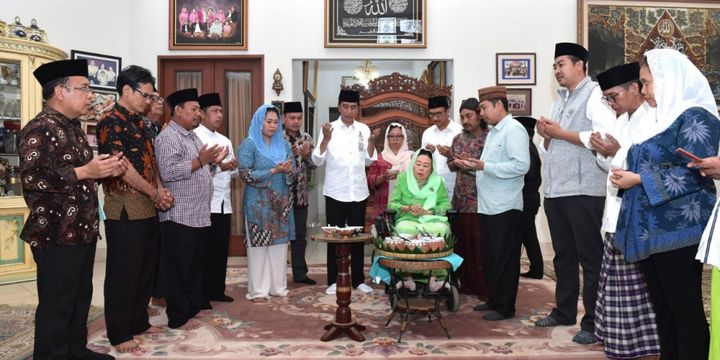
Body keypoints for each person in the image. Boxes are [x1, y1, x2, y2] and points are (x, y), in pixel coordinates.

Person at [611, 48, 720, 360]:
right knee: (663, 309)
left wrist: (638, 179)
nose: (643, 91)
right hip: (650, 228)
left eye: (646, 83)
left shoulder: (697, 116)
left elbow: (696, 171)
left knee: (684, 310)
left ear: (668, 79)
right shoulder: (655, 118)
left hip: (680, 229)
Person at [19, 59, 126, 360]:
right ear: (60, 91)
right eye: (84, 88)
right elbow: (32, 178)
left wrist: (102, 170)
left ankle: (75, 350)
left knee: (80, 298)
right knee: (57, 303)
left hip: (82, 228)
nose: (90, 95)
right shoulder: (37, 129)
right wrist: (84, 172)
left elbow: (84, 172)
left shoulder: (75, 130)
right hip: (54, 233)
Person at [534, 42, 616, 344]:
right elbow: (550, 146)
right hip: (556, 191)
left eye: (561, 64)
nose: (556, 71)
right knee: (563, 257)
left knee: (590, 259)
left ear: (580, 64)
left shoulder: (595, 96)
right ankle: (564, 310)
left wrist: (559, 134)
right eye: (554, 66)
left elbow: (603, 139)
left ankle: (593, 322)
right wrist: (545, 137)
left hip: (585, 191)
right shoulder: (560, 100)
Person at [96, 65, 173, 353]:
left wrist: (160, 189)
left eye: (153, 96)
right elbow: (121, 167)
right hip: (124, 208)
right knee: (124, 272)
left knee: (145, 270)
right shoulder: (109, 121)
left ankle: (138, 320)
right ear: (127, 90)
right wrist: (155, 192)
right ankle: (119, 331)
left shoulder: (141, 123)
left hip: (148, 205)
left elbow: (150, 162)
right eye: (146, 95)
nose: (151, 101)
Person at [591, 62, 661, 359]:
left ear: (635, 88)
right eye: (606, 99)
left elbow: (646, 165)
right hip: (615, 209)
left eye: (613, 97)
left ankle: (641, 345)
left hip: (636, 212)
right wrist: (608, 153)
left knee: (635, 287)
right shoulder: (622, 119)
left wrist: (615, 152)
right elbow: (613, 165)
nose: (611, 104)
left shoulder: (652, 119)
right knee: (614, 284)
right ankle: (620, 342)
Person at [154, 88, 227, 329]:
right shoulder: (168, 137)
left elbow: (201, 169)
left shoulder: (192, 136)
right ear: (177, 110)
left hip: (198, 214)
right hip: (179, 214)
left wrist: (213, 164)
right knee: (178, 267)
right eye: (194, 109)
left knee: (194, 265)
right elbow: (169, 172)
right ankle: (177, 313)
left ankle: (190, 304)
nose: (198, 114)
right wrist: (202, 161)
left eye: (198, 109)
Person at [455, 86, 529, 321]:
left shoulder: (514, 130)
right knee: (491, 256)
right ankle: (495, 300)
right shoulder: (496, 131)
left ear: (499, 105)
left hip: (505, 207)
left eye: (484, 108)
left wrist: (483, 166)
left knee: (504, 258)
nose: (482, 113)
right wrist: (473, 164)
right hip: (487, 206)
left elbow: (521, 166)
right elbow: (488, 165)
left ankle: (505, 307)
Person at [312, 89, 381, 295]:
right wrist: (325, 139)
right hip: (335, 191)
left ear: (358, 109)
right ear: (339, 106)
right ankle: (333, 279)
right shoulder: (329, 129)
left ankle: (358, 279)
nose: (349, 111)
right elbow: (316, 160)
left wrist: (371, 143)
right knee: (334, 238)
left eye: (353, 107)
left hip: (358, 192)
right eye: (345, 107)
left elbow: (370, 160)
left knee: (357, 237)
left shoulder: (364, 129)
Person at [238, 104, 295, 302]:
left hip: (280, 203)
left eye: (275, 122)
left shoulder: (284, 144)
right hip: (258, 204)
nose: (272, 126)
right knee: (259, 247)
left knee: (279, 247)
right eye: (268, 121)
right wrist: (273, 171)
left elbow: (293, 172)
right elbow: (245, 175)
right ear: (259, 122)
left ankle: (277, 287)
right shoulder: (249, 144)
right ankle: (259, 290)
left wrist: (288, 171)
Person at [387, 149, 451, 292]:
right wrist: (407, 208)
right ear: (413, 164)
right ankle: (407, 278)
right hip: (408, 218)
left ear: (432, 168)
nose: (421, 168)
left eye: (426, 165)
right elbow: (393, 204)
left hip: (431, 219)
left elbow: (445, 205)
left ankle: (433, 279)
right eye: (418, 164)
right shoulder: (403, 178)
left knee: (441, 230)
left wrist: (427, 211)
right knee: (404, 229)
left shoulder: (438, 181)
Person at [194, 93, 237, 303]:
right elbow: (194, 170)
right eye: (214, 111)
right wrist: (219, 166)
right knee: (203, 251)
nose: (219, 115)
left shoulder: (225, 140)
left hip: (223, 203)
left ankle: (217, 290)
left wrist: (232, 167)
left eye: (220, 111)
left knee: (220, 249)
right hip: (204, 204)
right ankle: (201, 294)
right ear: (202, 114)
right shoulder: (195, 137)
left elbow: (232, 172)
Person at [446, 98, 489, 297]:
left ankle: (483, 287)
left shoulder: (490, 138)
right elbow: (450, 163)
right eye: (462, 117)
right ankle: (466, 284)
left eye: (468, 116)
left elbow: (491, 167)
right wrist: (457, 163)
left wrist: (471, 166)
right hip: (460, 201)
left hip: (481, 201)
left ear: (479, 114)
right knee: (462, 245)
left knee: (480, 247)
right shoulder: (458, 139)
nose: (465, 121)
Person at [282, 101, 317, 285]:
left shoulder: (306, 137)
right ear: (284, 118)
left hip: (301, 195)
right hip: (280, 196)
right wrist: (289, 153)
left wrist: (305, 155)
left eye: (299, 118)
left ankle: (300, 273)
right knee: (280, 236)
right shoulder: (277, 137)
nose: (296, 122)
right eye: (292, 118)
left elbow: (314, 164)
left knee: (300, 236)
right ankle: (278, 274)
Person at [514, 116, 543, 280]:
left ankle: (537, 269)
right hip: (528, 198)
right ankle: (536, 268)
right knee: (526, 235)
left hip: (527, 198)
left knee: (528, 235)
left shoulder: (527, 149)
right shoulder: (529, 147)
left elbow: (527, 174)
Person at [367, 122, 413, 220]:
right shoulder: (379, 158)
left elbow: (419, 178)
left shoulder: (412, 157)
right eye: (391, 136)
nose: (395, 139)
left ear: (404, 138)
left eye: (399, 136)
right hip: (383, 206)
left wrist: (401, 175)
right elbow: (371, 181)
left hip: (407, 205)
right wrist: (384, 177)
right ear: (387, 139)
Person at [422, 95, 462, 199]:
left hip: (453, 185)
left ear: (447, 111)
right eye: (431, 114)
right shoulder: (427, 133)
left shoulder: (459, 131)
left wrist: (450, 153)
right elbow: (422, 159)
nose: (434, 118)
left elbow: (465, 159)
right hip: (431, 185)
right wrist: (427, 153)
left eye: (438, 114)